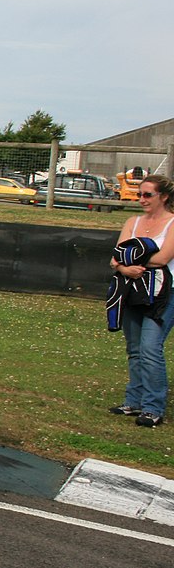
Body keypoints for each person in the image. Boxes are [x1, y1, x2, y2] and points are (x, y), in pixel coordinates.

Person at [108, 174, 174, 427]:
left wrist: (129, 261)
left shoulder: (172, 224)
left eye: (148, 195)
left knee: (150, 348)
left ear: (163, 197)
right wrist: (123, 269)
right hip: (133, 290)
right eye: (140, 195)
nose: (142, 200)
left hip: (163, 294)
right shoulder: (133, 222)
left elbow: (162, 258)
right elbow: (115, 257)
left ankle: (153, 406)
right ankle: (134, 401)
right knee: (134, 348)